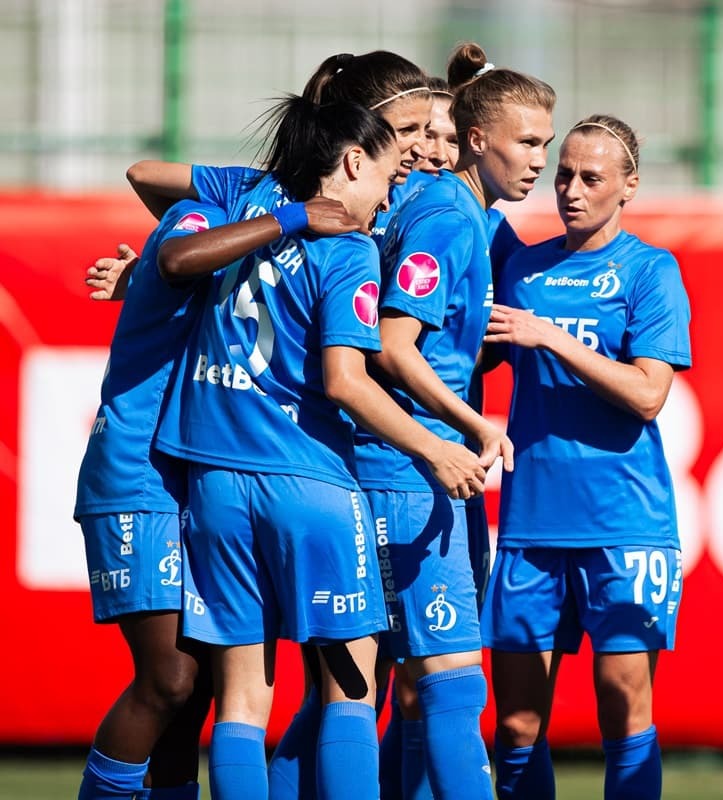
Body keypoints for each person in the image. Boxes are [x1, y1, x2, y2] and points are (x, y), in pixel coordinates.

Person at [151, 92, 486, 800]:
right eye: (392, 174)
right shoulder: (348, 248)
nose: (395, 193)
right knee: (350, 689)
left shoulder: (249, 211)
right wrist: (438, 447)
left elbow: (163, 220)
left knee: (243, 699)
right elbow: (344, 380)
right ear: (353, 159)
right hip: (309, 482)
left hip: (214, 481)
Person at [357, 41, 554, 800]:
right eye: (528, 143)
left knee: (393, 686)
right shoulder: (447, 217)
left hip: (424, 462)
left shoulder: (469, 213)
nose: (539, 160)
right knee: (447, 679)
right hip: (411, 462)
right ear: (480, 141)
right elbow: (394, 344)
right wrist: (471, 423)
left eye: (545, 141)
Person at [481, 114, 691, 800]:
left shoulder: (651, 271)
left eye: (591, 177)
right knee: (514, 725)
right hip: (529, 528)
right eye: (563, 173)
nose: (570, 189)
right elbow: (465, 189)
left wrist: (552, 339)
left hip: (625, 523)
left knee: (623, 711)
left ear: (629, 186)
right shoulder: (519, 263)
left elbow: (649, 395)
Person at [73, 199, 229, 800]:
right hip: (140, 474)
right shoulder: (220, 208)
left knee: (200, 687)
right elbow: (145, 177)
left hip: (202, 479)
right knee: (169, 680)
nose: (421, 151)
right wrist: (289, 216)